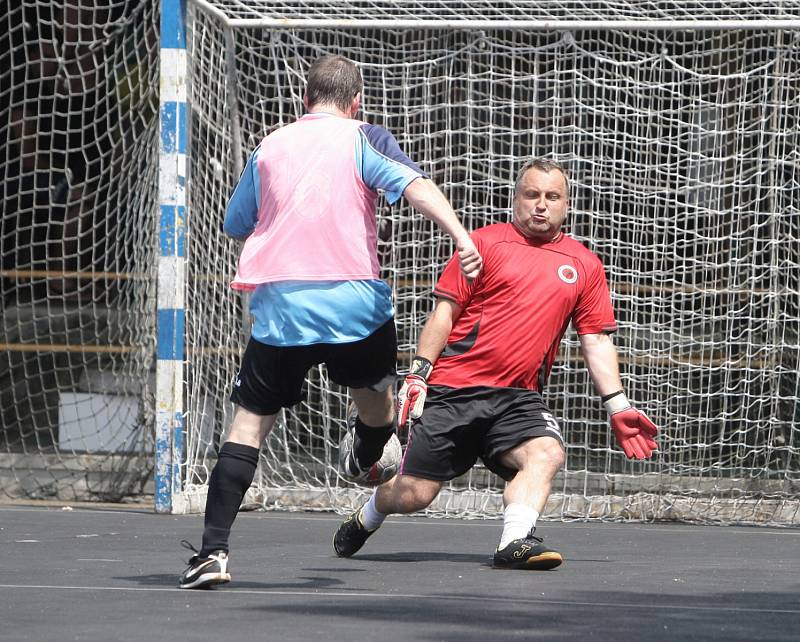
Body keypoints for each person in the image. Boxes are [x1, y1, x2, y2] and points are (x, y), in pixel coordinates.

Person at [178, 54, 482, 589]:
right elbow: (417, 188)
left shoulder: (270, 145)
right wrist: (462, 239)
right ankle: (367, 451)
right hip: (354, 306)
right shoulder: (365, 137)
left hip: (283, 309)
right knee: (378, 400)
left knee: (248, 427)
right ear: (356, 102)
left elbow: (235, 223)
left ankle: (213, 553)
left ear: (304, 101)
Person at [332, 158, 658, 569]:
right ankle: (369, 515)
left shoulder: (584, 265)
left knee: (546, 453)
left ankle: (514, 542)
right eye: (532, 195)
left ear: (566, 204)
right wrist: (418, 374)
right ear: (516, 200)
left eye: (552, 196)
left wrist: (618, 404)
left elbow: (594, 338)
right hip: (454, 392)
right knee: (415, 495)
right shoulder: (483, 245)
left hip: (517, 401)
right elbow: (444, 314)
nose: (541, 204)